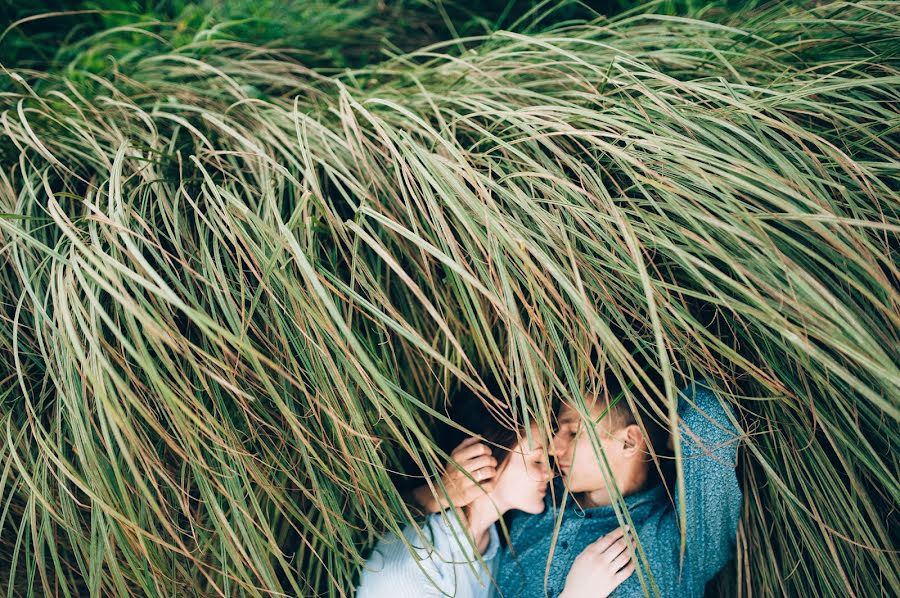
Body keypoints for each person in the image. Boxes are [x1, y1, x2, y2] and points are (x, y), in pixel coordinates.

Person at [356, 380, 636, 597]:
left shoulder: (495, 546)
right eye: (538, 458)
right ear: (480, 458)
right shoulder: (409, 573)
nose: (551, 473)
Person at [495, 375, 743, 597]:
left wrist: (666, 427)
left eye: (572, 432)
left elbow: (708, 414)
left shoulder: (679, 544)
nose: (552, 448)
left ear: (629, 442)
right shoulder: (536, 501)